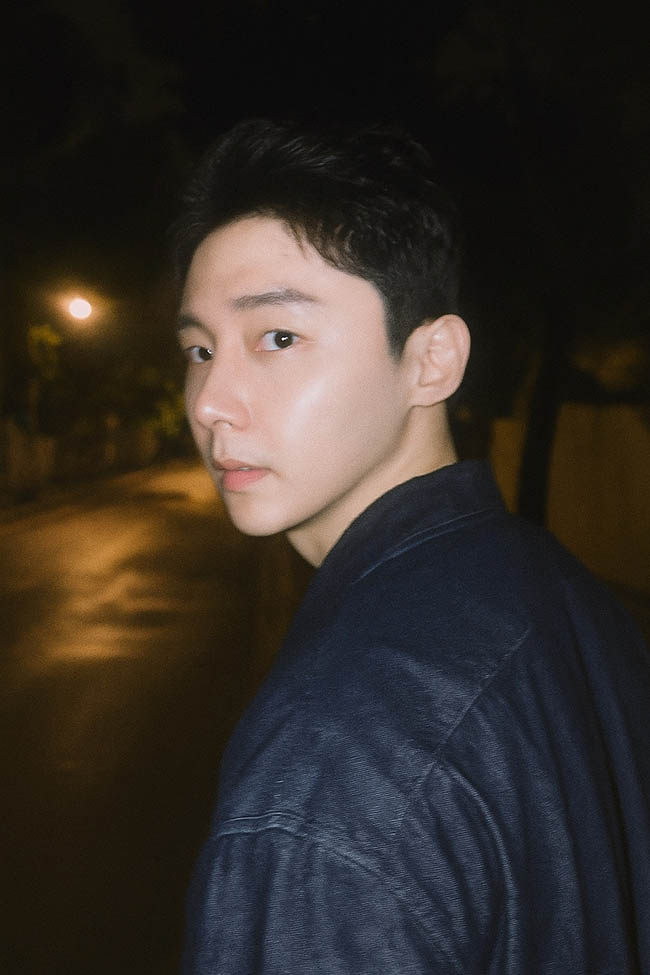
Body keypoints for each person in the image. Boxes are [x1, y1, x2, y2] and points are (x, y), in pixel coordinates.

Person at [173, 118, 650, 974]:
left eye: (277, 337)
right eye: (199, 348)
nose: (209, 399)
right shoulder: (557, 589)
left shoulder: (330, 766)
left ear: (432, 360)